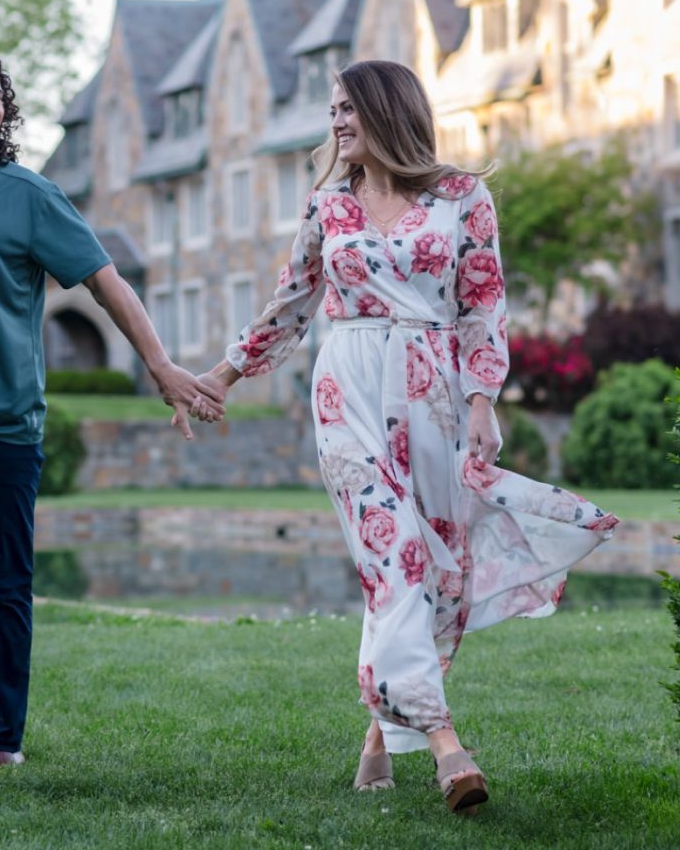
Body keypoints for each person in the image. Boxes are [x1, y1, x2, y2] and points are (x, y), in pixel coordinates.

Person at [194, 59, 618, 813]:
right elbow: (289, 305)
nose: (336, 122)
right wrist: (221, 378)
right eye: (332, 110)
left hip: (437, 392)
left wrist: (485, 397)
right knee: (397, 553)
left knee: (434, 574)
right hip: (348, 387)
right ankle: (448, 743)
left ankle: (380, 736)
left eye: (348, 109)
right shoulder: (329, 206)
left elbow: (484, 303)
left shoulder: (463, 197)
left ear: (387, 111)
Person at [0, 41, 221, 779]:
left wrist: (161, 366)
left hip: (8, 419)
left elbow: (106, 282)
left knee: (7, 582)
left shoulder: (30, 194)